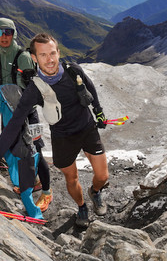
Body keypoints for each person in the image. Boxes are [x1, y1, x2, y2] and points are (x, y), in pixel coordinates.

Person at [0, 33, 109, 227]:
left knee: (102, 176)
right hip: (62, 137)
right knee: (71, 178)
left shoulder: (72, 70)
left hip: (87, 128)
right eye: (43, 55)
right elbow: (15, 123)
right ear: (34, 58)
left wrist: (98, 111)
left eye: (52, 53)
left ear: (58, 53)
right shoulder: (34, 89)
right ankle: (82, 207)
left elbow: (89, 85)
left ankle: (95, 191)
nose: (49, 60)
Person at [0, 18, 52, 212]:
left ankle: (46, 192)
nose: (3, 37)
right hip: (9, 111)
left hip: (27, 113)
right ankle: (32, 181)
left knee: (36, 149)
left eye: (7, 32)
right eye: (0, 32)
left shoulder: (23, 56)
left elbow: (32, 87)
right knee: (15, 149)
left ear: (13, 33)